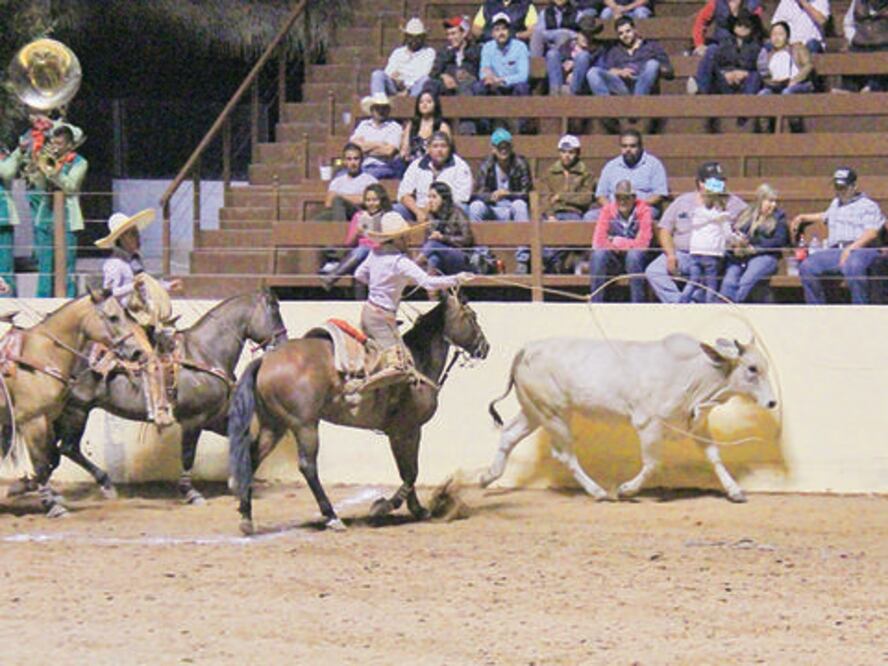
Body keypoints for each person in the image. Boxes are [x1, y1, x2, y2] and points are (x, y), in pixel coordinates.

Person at [350, 211, 473, 394]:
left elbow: (358, 274)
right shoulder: (400, 262)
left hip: (368, 312)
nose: (407, 241)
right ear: (398, 238)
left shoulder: (374, 254)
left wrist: (379, 286)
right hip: (382, 320)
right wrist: (457, 279)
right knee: (402, 365)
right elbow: (428, 282)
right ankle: (361, 387)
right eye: (405, 237)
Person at [95, 209, 183, 427]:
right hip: (125, 321)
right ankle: (158, 409)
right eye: (132, 234)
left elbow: (146, 288)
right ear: (121, 239)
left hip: (140, 316)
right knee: (151, 360)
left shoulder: (133, 262)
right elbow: (108, 294)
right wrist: (130, 286)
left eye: (136, 233)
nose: (137, 238)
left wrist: (166, 286)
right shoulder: (114, 265)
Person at [645, 161, 747, 303]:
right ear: (700, 183)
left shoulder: (735, 204)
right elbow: (665, 229)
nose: (719, 185)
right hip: (683, 254)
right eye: (714, 182)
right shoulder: (683, 201)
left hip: (714, 256)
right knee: (654, 271)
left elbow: (744, 231)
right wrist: (671, 255)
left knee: (705, 281)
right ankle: (680, 305)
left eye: (721, 181)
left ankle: (690, 304)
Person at [794, 167, 885, 305]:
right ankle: (816, 309)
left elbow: (871, 232)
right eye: (837, 187)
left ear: (854, 186)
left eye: (843, 187)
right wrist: (803, 217)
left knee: (853, 266)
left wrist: (851, 249)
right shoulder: (836, 203)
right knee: (808, 266)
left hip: (862, 249)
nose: (839, 191)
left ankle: (861, 308)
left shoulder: (868, 205)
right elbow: (825, 216)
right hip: (836, 250)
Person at [720, 183, 789, 303]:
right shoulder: (746, 214)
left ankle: (735, 306)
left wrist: (756, 247)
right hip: (742, 256)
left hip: (765, 255)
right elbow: (737, 231)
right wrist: (738, 242)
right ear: (760, 200)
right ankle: (724, 306)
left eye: (775, 201)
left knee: (746, 281)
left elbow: (779, 241)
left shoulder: (779, 218)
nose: (774, 205)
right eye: (770, 201)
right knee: (729, 282)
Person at [590, 179, 653, 302]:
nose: (622, 201)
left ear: (634, 198)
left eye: (626, 197)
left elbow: (644, 242)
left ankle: (637, 304)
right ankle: (596, 302)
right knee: (598, 255)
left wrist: (618, 242)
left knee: (634, 256)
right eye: (618, 197)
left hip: (636, 260)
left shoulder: (644, 210)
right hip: (614, 259)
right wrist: (623, 245)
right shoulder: (607, 210)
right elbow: (599, 240)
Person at [322, 183, 391, 291]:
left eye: (375, 200)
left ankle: (333, 275)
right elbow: (348, 243)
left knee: (364, 250)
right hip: (361, 256)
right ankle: (359, 302)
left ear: (381, 200)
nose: (371, 203)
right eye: (368, 200)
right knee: (361, 260)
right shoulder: (359, 216)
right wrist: (357, 232)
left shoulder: (387, 217)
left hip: (380, 253)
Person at [687, 0, 764, 94]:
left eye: (746, 24)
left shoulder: (756, 47)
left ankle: (748, 105)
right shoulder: (716, 3)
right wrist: (699, 44)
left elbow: (759, 67)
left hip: (746, 82)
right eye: (739, 24)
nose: (743, 27)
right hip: (725, 79)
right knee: (711, 50)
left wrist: (745, 73)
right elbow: (701, 21)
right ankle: (700, 90)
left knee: (755, 76)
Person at [585, 16, 672, 99]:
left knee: (652, 64)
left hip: (643, 81)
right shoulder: (614, 50)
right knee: (593, 72)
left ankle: (638, 102)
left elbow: (668, 69)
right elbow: (608, 70)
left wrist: (646, 70)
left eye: (628, 31)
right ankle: (607, 107)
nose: (625, 35)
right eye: (621, 33)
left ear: (635, 30)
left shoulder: (651, 46)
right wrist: (620, 72)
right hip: (622, 85)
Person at [396, 131, 474, 222]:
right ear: (428, 149)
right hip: (420, 210)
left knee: (462, 208)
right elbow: (404, 194)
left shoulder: (460, 166)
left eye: (443, 146)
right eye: (435, 146)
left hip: (448, 212)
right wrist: (418, 212)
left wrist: (436, 206)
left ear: (449, 149)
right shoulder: (416, 165)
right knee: (398, 209)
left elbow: (462, 197)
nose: (439, 150)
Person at [679, 177, 734, 304]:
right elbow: (728, 235)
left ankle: (681, 302)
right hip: (712, 254)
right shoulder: (723, 217)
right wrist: (737, 239)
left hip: (695, 252)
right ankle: (709, 307)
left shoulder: (697, 213)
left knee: (693, 282)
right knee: (711, 285)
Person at [595, 129, 668, 219]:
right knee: (589, 217)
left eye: (633, 146)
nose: (628, 150)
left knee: (644, 216)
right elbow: (600, 195)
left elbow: (659, 194)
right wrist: (611, 208)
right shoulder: (611, 166)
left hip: (643, 208)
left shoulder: (654, 164)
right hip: (614, 209)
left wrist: (636, 206)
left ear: (641, 147)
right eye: (624, 146)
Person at [756, 21, 814, 132]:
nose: (776, 38)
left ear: (787, 36)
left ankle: (795, 128)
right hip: (777, 86)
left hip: (799, 84)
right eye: (774, 34)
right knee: (763, 95)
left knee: (787, 93)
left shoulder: (797, 48)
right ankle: (766, 132)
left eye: (780, 34)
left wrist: (795, 80)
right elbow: (766, 76)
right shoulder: (768, 55)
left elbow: (808, 65)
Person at [469, 128, 532, 222]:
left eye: (506, 146)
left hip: (512, 206)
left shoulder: (521, 164)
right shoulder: (486, 166)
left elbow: (526, 193)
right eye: (500, 147)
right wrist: (492, 196)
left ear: (511, 147)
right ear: (493, 148)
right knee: (475, 206)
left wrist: (509, 194)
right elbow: (478, 194)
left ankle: (523, 236)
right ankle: (476, 236)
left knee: (520, 205)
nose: (503, 150)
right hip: (492, 207)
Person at [472, 13, 531, 103]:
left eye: (504, 29)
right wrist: (489, 78)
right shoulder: (487, 47)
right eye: (497, 29)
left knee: (522, 87)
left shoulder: (520, 47)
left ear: (509, 31)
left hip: (512, 86)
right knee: (478, 87)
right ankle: (485, 116)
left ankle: (521, 116)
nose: (501, 33)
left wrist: (502, 80)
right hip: (495, 87)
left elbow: (523, 76)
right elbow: (484, 70)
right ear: (492, 33)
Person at [418, 182, 475, 275]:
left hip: (461, 257)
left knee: (434, 245)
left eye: (434, 197)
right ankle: (431, 289)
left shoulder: (457, 212)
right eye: (429, 197)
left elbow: (467, 239)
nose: (430, 201)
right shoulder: (431, 217)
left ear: (444, 199)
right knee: (434, 259)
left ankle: (414, 266)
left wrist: (443, 238)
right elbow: (426, 243)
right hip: (441, 257)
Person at [370, 18, 436, 97]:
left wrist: (405, 84)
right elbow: (389, 73)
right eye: (411, 37)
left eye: (417, 37)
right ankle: (379, 101)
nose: (414, 40)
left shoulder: (428, 52)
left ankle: (410, 103)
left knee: (425, 80)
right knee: (377, 74)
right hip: (395, 87)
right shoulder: (398, 52)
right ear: (406, 37)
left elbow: (423, 74)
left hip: (413, 89)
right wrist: (398, 82)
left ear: (423, 37)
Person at [318, 143, 378, 222]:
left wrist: (341, 197)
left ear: (362, 160)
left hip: (361, 215)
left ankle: (340, 231)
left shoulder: (370, 180)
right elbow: (328, 203)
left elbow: (369, 201)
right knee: (320, 219)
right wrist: (356, 197)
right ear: (344, 161)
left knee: (338, 201)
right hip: (339, 213)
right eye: (349, 159)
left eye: (356, 159)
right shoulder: (337, 181)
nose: (353, 163)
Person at [541, 134, 596, 221]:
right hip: (553, 212)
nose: (566, 155)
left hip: (574, 212)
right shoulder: (550, 172)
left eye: (571, 152)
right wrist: (550, 215)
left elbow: (585, 199)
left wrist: (561, 197)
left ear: (577, 153)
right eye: (563, 152)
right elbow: (544, 198)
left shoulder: (586, 173)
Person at [350, 93, 404, 179]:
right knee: (339, 177)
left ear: (388, 110)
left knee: (363, 177)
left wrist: (365, 147)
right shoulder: (363, 125)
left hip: (384, 167)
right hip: (361, 166)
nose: (381, 111)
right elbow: (354, 147)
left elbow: (388, 151)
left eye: (384, 108)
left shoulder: (395, 127)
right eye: (377, 108)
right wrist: (379, 144)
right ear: (372, 109)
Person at [430, 16, 482, 96]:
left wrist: (469, 76)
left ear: (464, 33)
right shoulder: (444, 52)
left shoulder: (476, 50)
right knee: (431, 85)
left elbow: (481, 72)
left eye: (453, 34)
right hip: (448, 87)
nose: (450, 38)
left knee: (467, 85)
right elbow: (433, 73)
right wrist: (443, 76)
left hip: (469, 86)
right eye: (448, 34)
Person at [399, 92, 452, 164]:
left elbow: (447, 151)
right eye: (421, 102)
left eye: (429, 102)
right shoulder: (412, 125)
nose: (424, 104)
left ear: (435, 105)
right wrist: (405, 154)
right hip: (412, 165)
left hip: (435, 165)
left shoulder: (442, 126)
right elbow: (404, 148)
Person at [0, 147, 20, 296]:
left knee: (5, 266)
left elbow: (7, 173)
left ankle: (7, 300)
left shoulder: (7, 158)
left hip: (3, 218)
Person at [472, 0, 539, 42]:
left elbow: (532, 31)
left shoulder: (525, 5)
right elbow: (476, 28)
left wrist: (515, 35)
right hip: (490, 43)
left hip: (515, 46)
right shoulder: (489, 4)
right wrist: (488, 35)